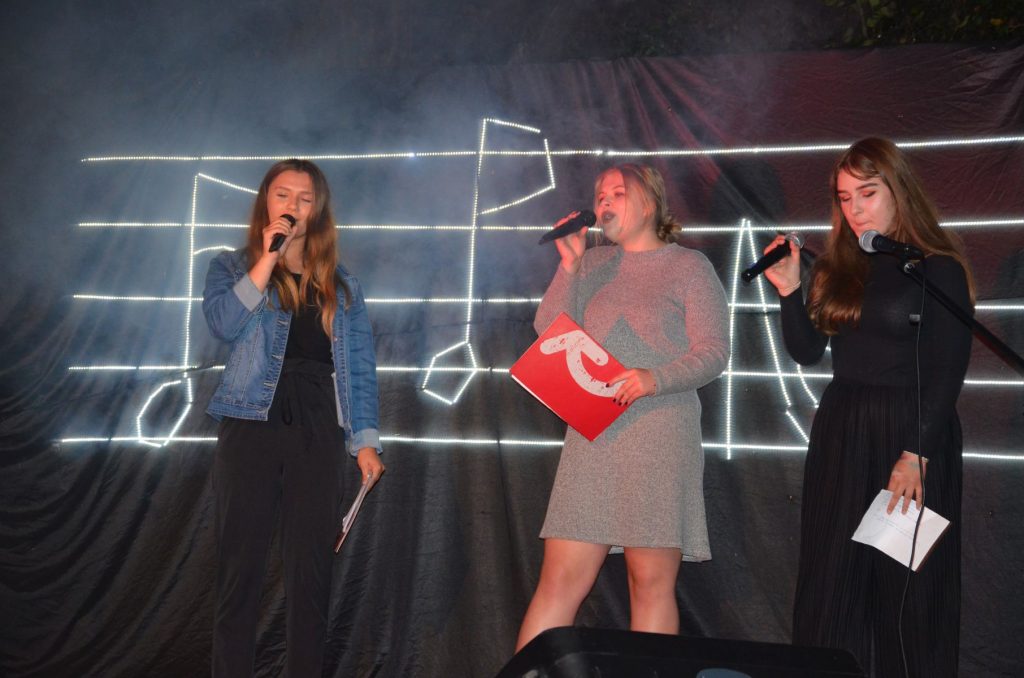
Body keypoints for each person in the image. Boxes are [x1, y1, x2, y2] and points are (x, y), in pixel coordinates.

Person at [763, 137, 974, 677]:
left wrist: (917, 453)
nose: (854, 208)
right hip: (844, 432)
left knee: (908, 597)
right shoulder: (840, 266)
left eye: (867, 193)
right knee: (832, 584)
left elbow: (948, 368)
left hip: (910, 434)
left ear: (898, 190)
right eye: (844, 197)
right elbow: (807, 352)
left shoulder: (936, 268)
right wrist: (789, 293)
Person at [516, 163, 730, 650]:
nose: (605, 203)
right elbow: (548, 333)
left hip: (659, 435)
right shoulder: (591, 263)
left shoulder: (689, 267)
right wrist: (569, 266)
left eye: (618, 193)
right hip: (593, 439)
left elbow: (715, 351)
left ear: (650, 201)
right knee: (559, 582)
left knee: (648, 584)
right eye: (600, 195)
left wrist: (656, 378)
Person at [202, 159, 384, 677]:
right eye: (283, 195)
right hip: (250, 420)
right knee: (239, 573)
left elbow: (359, 368)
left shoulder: (342, 286)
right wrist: (267, 259)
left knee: (311, 574)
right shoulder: (231, 267)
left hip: (316, 422)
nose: (293, 207)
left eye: (305, 199)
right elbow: (222, 323)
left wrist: (364, 441)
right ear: (266, 200)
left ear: (318, 209)